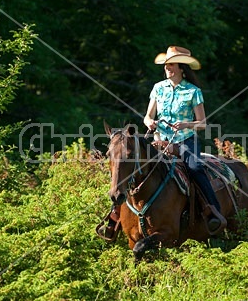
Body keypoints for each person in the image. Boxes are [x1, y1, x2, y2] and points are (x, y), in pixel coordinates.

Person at [96, 46, 226, 241]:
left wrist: (185, 124)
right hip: (158, 141)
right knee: (129, 165)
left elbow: (202, 123)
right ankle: (115, 216)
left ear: (182, 67)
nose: (168, 68)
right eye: (166, 65)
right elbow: (148, 116)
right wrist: (150, 122)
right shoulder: (158, 88)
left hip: (185, 141)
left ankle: (212, 211)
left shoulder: (193, 92)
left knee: (195, 167)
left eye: (171, 64)